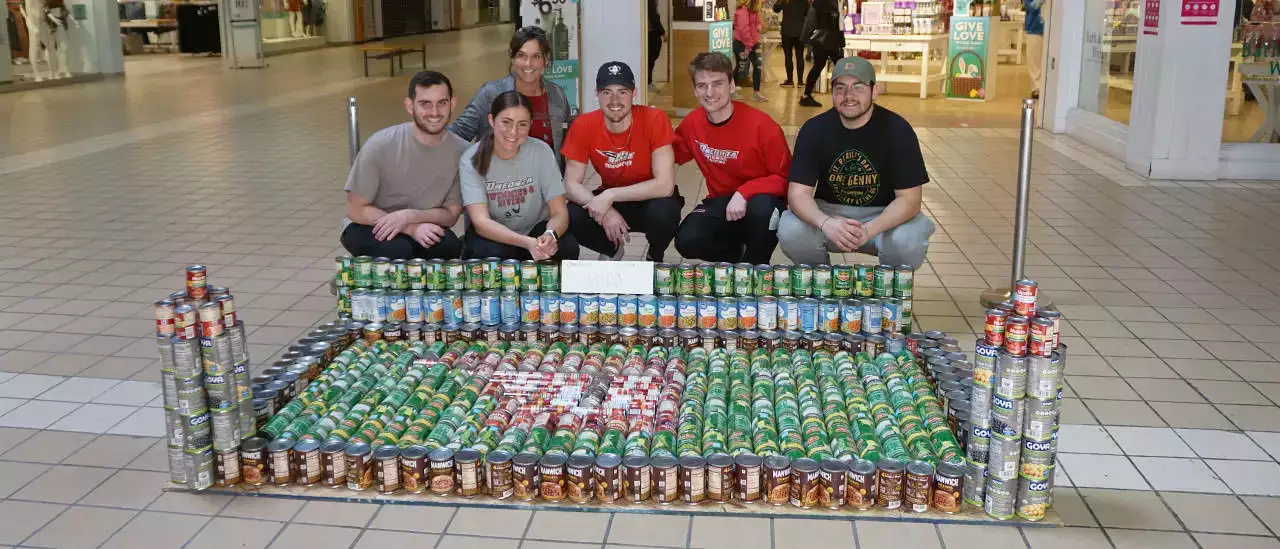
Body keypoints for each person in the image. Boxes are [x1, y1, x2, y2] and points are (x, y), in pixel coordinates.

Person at [778, 57, 935, 268]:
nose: (848, 96)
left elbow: (910, 200)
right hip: (830, 213)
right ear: (832, 93)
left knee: (907, 240)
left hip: (884, 215)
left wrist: (869, 230)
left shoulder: (898, 130)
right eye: (840, 88)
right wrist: (826, 223)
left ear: (874, 91)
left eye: (858, 87)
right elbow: (797, 194)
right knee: (790, 229)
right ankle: (819, 284)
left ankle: (889, 291)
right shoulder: (814, 130)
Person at [673, 52, 790, 264]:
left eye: (718, 84)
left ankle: (756, 266)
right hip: (721, 202)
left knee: (762, 209)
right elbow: (671, 154)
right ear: (695, 90)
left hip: (761, 201)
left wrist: (744, 193)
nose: (710, 92)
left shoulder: (763, 127)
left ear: (732, 85)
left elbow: (786, 180)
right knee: (687, 240)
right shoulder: (692, 123)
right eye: (702, 85)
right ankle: (737, 255)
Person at [562, 61, 682, 262]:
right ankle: (611, 248)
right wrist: (605, 209)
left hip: (649, 197)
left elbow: (665, 185)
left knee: (666, 212)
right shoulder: (584, 124)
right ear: (597, 94)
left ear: (633, 94)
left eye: (622, 92)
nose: (615, 100)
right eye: (607, 92)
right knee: (570, 214)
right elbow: (569, 184)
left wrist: (609, 195)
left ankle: (655, 254)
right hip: (615, 200)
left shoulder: (654, 119)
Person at [341, 70, 466, 260]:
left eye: (442, 103)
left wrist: (410, 216)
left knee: (449, 248)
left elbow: (450, 215)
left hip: (422, 221)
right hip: (368, 224)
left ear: (453, 104)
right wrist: (410, 228)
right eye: (425, 104)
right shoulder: (381, 145)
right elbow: (355, 209)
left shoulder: (461, 151)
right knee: (398, 251)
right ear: (410, 106)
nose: (434, 112)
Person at [459, 91, 579, 261]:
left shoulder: (541, 151)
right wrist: (527, 243)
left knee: (566, 247)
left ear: (530, 125)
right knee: (492, 255)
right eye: (506, 122)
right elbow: (481, 223)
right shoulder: (472, 158)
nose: (513, 131)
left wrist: (550, 235)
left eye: (522, 124)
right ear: (492, 120)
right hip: (495, 234)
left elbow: (559, 212)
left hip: (535, 230)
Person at [449, 26, 573, 164]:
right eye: (521, 55)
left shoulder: (557, 96)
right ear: (513, 58)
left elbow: (569, 142)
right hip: (498, 181)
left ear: (546, 60)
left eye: (536, 56)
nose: (528, 64)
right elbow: (457, 135)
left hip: (544, 181)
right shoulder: (491, 93)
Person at [799, 0, 845, 107]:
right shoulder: (828, 2)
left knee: (820, 65)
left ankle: (806, 95)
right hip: (828, 39)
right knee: (839, 66)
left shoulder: (822, 2)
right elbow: (838, 23)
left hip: (824, 39)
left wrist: (805, 38)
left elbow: (811, 21)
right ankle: (842, 95)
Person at [733, 0, 768, 102]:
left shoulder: (755, 9)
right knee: (739, 67)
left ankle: (756, 93)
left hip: (753, 42)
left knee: (758, 66)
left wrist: (759, 26)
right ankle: (733, 91)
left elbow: (758, 22)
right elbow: (743, 29)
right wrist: (748, 45)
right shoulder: (742, 10)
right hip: (741, 43)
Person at [773, 0, 810, 86]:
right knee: (800, 56)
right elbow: (807, 14)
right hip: (800, 31)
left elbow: (775, 9)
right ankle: (800, 81)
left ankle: (790, 81)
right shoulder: (804, 1)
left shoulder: (785, 1)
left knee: (788, 56)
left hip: (787, 31)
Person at [1023, 0, 1046, 99]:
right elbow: (1030, 7)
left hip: (1053, 27)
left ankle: (1047, 86)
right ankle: (1037, 87)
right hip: (1034, 28)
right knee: (1034, 59)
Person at [648, 0, 666, 92]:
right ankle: (648, 83)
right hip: (651, 34)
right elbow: (653, 18)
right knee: (650, 59)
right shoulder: (649, 2)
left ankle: (648, 82)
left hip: (652, 33)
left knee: (651, 59)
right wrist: (663, 33)